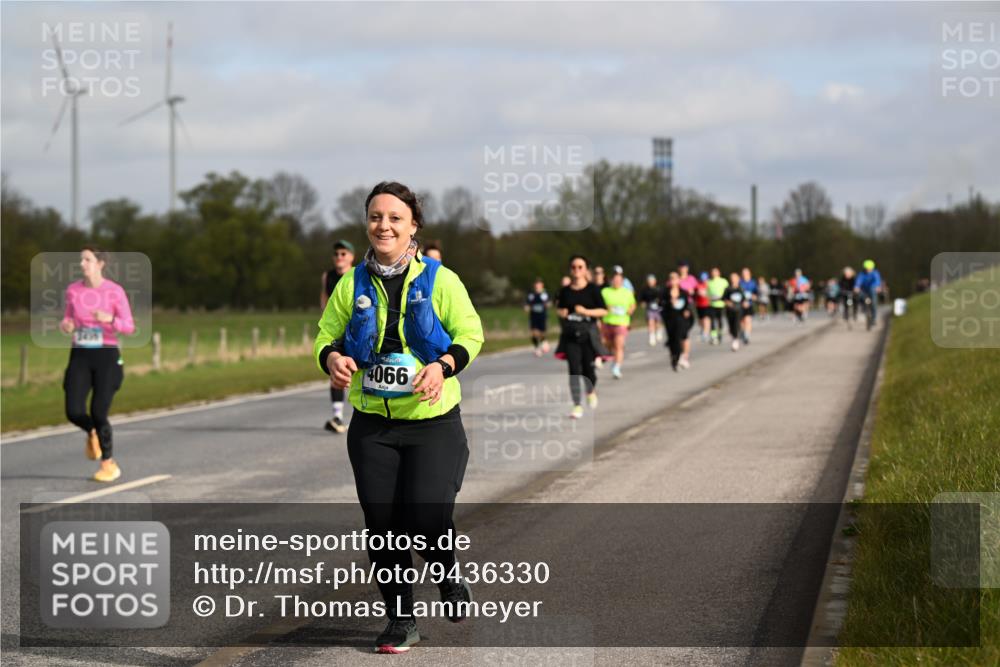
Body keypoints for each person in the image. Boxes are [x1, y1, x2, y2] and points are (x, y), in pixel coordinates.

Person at [315, 181, 484, 654]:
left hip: (433, 422)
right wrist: (332, 358)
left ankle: (448, 577)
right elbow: (325, 336)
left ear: (413, 226)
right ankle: (401, 619)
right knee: (382, 524)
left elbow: (471, 334)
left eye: (394, 218)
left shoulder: (440, 279)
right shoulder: (351, 283)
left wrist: (443, 365)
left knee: (427, 517)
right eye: (375, 217)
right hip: (373, 426)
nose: (383, 225)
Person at [60, 246, 135, 482]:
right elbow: (68, 318)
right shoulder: (73, 290)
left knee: (98, 411)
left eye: (87, 260)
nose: (82, 264)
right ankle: (91, 431)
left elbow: (129, 326)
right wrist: (66, 325)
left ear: (100, 263)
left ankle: (108, 464)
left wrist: (110, 319)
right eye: (81, 259)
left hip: (107, 357)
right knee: (73, 410)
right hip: (80, 355)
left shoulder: (115, 291)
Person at [555, 255, 609, 419]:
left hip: (588, 335)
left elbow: (603, 311)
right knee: (574, 370)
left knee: (588, 371)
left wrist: (586, 312)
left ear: (586, 270)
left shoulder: (593, 290)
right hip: (571, 335)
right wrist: (562, 312)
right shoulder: (565, 291)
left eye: (580, 267)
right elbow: (560, 310)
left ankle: (590, 391)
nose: (577, 270)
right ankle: (577, 405)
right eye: (574, 267)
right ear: (570, 270)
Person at [321, 240, 356, 433]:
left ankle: (363, 414)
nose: (339, 257)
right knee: (337, 370)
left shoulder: (358, 276)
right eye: (336, 254)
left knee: (360, 373)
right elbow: (324, 302)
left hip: (357, 331)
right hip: (338, 331)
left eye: (343, 253)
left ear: (351, 256)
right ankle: (338, 416)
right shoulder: (328, 276)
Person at [601, 266, 637, 379]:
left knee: (618, 345)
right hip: (607, 321)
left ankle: (616, 367)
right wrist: (606, 307)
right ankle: (613, 355)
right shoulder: (605, 291)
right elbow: (598, 304)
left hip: (621, 322)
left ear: (622, 281)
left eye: (619, 280)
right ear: (611, 280)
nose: (616, 282)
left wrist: (630, 310)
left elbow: (633, 304)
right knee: (607, 344)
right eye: (615, 280)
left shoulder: (627, 292)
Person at [663, 271, 694, 370]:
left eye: (675, 278)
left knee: (682, 337)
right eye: (671, 278)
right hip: (670, 319)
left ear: (678, 280)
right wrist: (669, 302)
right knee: (672, 340)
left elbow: (688, 305)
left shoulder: (683, 292)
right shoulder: (665, 293)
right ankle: (674, 357)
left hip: (681, 319)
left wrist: (687, 311)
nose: (673, 281)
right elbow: (661, 305)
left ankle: (683, 356)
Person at [677, 261, 699, 365]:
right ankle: (682, 354)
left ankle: (685, 355)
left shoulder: (691, 279)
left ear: (687, 268)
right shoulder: (675, 279)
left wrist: (693, 292)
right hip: (677, 308)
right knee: (679, 333)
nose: (683, 269)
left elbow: (698, 291)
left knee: (684, 331)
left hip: (688, 306)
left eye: (684, 267)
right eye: (681, 267)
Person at [524, 278, 551, 357]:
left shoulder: (545, 294)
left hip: (542, 316)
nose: (537, 287)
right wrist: (526, 307)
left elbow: (549, 303)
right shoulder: (531, 295)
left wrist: (548, 304)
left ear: (542, 285)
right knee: (534, 333)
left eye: (539, 285)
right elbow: (527, 304)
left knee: (542, 332)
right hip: (533, 316)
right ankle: (537, 348)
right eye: (536, 285)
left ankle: (544, 341)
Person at [855, 259, 883, 328]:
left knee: (874, 303)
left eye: (870, 268)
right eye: (867, 268)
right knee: (859, 295)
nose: (868, 270)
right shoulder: (862, 274)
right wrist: (856, 287)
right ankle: (863, 306)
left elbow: (877, 281)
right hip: (864, 290)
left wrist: (878, 287)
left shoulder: (875, 273)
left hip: (872, 289)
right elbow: (858, 281)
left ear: (872, 268)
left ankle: (873, 318)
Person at [639, 274, 664, 347]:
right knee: (650, 322)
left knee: (658, 322)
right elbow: (641, 299)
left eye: (652, 280)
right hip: (649, 308)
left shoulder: (659, 289)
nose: (650, 282)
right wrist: (643, 303)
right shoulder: (644, 290)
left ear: (655, 281)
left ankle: (659, 331)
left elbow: (663, 298)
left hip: (658, 308)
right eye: (649, 281)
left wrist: (660, 301)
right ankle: (651, 337)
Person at [722, 272, 746, 351]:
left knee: (736, 324)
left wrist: (745, 303)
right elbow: (723, 298)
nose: (733, 280)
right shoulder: (727, 289)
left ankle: (735, 340)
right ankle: (735, 337)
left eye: (735, 278)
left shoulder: (741, 288)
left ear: (738, 279)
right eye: (732, 278)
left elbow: (744, 299)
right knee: (731, 326)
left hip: (738, 310)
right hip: (730, 310)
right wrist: (728, 303)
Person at [706, 267, 728, 345]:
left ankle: (720, 334)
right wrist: (709, 297)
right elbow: (707, 293)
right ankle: (713, 336)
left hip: (721, 304)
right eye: (713, 272)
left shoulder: (723, 281)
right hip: (712, 304)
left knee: (719, 320)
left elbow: (727, 291)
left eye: (715, 272)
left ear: (718, 273)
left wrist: (724, 299)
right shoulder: (709, 282)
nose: (714, 273)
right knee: (712, 320)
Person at [738, 267, 757, 344]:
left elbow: (756, 293)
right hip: (741, 305)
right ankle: (743, 332)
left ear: (749, 274)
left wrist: (753, 297)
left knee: (748, 320)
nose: (744, 274)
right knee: (742, 321)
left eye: (746, 273)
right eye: (743, 273)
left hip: (749, 304)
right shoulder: (740, 282)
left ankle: (747, 335)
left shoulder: (753, 283)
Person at [695, 271, 712, 343]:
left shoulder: (709, 284)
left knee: (706, 318)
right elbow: (695, 293)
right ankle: (703, 329)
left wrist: (707, 294)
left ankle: (706, 333)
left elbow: (712, 293)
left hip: (707, 304)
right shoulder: (697, 284)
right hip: (699, 305)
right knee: (700, 320)